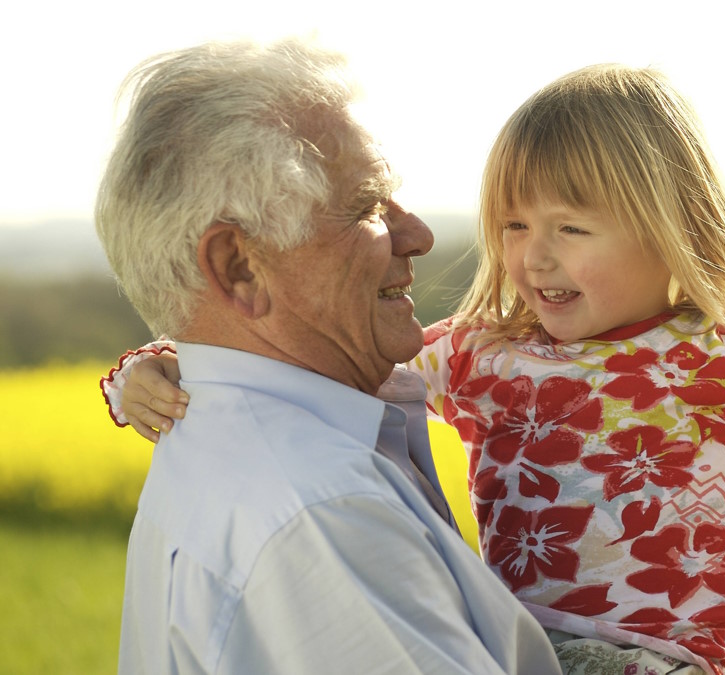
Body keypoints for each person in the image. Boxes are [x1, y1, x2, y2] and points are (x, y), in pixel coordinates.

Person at [104, 64, 725, 674]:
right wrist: (153, 367)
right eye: (514, 226)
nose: (533, 257)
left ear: (673, 225)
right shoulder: (482, 355)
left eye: (570, 229)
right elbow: (292, 365)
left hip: (672, 660)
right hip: (531, 645)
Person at [95, 37, 562, 674]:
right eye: (367, 205)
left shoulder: (221, 440)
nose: (417, 236)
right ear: (239, 268)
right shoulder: (324, 513)